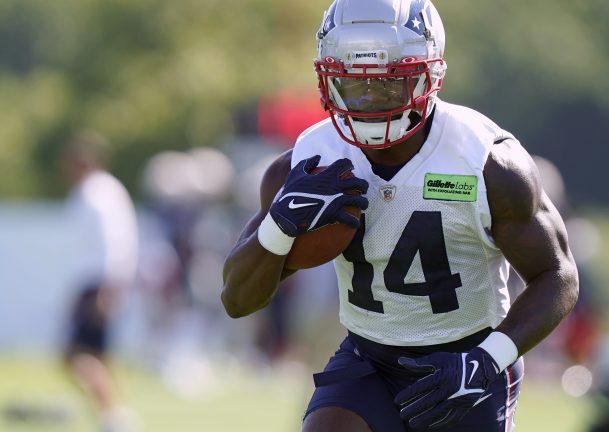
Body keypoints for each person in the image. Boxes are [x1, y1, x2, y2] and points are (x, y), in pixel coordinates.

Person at [221, 1, 579, 431]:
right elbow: (237, 299)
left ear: (429, 75)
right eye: (354, 85)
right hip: (368, 357)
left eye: (388, 85)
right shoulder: (306, 164)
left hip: (467, 356)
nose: (370, 99)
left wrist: (489, 360)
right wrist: (280, 227)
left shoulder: (486, 161)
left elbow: (558, 276)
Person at [60, 131, 139, 432]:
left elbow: (114, 242)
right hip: (95, 281)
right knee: (99, 355)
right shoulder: (97, 191)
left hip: (98, 282)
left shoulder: (97, 194)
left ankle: (115, 417)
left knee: (76, 354)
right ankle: (113, 414)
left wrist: (108, 288)